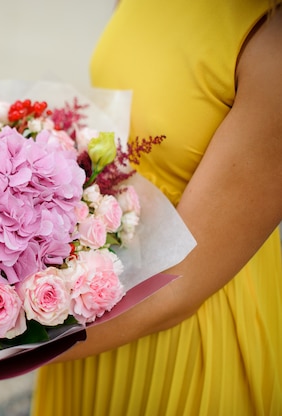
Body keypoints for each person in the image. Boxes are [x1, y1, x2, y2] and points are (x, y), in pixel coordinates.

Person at [31, 0, 282, 414]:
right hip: (91, 294)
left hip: (181, 335)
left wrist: (6, 350)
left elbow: (179, 286)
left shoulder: (269, 39)